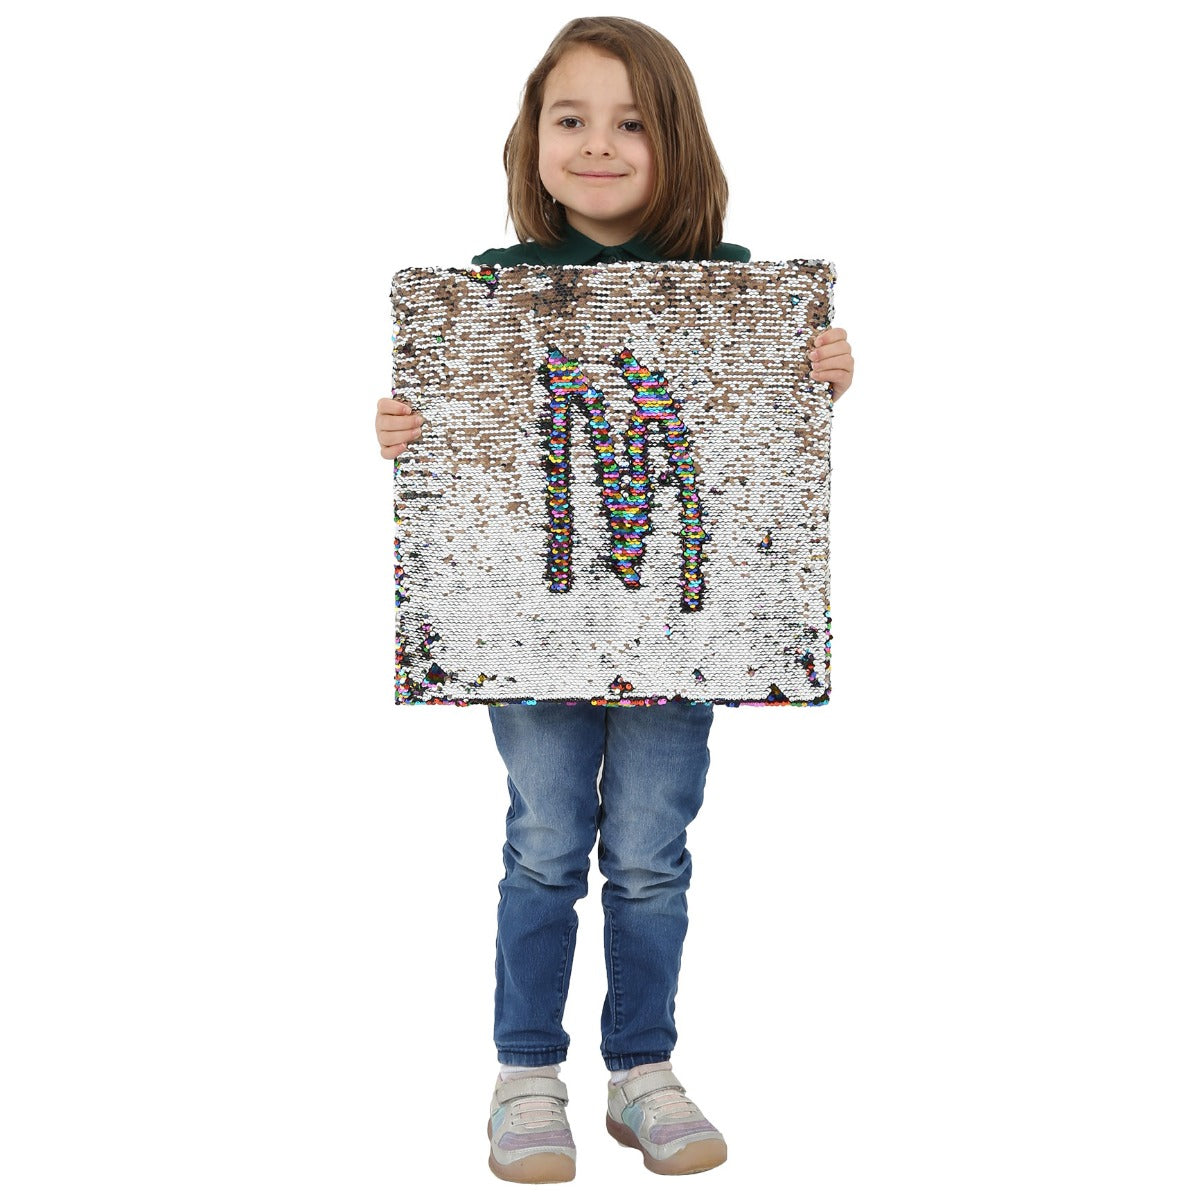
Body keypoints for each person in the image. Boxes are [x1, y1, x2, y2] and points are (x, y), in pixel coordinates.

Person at [375, 16, 855, 1184]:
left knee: (648, 855)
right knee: (544, 845)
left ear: (676, 141)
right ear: (532, 142)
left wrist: (819, 377)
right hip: (534, 631)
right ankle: (525, 1077)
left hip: (677, 632)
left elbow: (755, 444)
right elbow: (472, 454)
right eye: (571, 119)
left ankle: (642, 1071)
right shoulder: (491, 294)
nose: (599, 144)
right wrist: (408, 432)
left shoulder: (734, 292)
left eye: (631, 122)